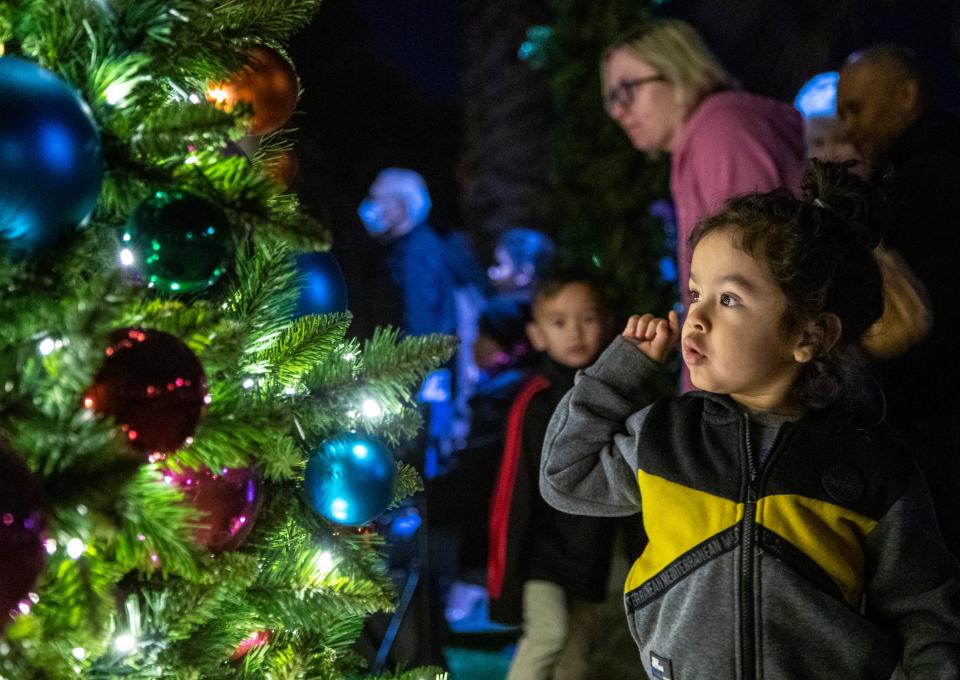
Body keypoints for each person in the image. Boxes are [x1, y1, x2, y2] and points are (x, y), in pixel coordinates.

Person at [540, 161, 960, 679]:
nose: (696, 316)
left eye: (730, 299)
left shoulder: (873, 468)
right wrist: (617, 374)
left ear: (808, 337)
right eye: (695, 293)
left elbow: (926, 613)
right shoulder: (665, 437)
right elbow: (565, 475)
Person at [838, 44, 960, 556]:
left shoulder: (917, 183)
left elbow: (908, 322)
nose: (848, 128)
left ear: (907, 95)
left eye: (857, 108)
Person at [602, 18, 805, 315]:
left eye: (627, 89)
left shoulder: (721, 133)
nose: (618, 111)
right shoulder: (701, 140)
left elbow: (746, 275)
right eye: (612, 99)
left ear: (677, 71)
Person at [488, 270, 619, 680]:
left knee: (578, 657)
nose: (575, 332)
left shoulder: (615, 396)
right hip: (540, 556)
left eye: (587, 318)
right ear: (538, 334)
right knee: (548, 635)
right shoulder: (535, 400)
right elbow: (514, 490)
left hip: (589, 553)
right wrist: (505, 579)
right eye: (559, 322)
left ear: (607, 323)